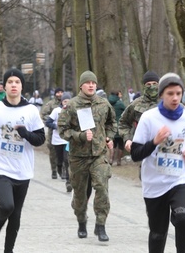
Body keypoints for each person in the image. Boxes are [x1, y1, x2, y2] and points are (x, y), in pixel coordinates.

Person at [130, 73, 185, 253]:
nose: (175, 98)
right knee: (158, 234)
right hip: (154, 182)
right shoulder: (148, 118)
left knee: (183, 217)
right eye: (170, 93)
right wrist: (154, 141)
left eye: (178, 93)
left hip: (180, 178)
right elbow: (136, 154)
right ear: (161, 94)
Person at [0, 68, 45, 252]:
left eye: (17, 82)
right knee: (7, 205)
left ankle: (8, 250)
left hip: (23, 169)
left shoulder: (31, 110)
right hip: (1, 167)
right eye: (10, 82)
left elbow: (40, 139)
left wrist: (26, 133)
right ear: (5, 86)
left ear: (22, 86)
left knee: (16, 214)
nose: (14, 85)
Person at [57, 70, 117, 242]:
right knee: (80, 194)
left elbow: (112, 122)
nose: (91, 85)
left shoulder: (103, 103)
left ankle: (101, 224)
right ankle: (82, 221)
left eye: (94, 83)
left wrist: (109, 137)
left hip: (99, 155)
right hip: (78, 157)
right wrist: (80, 136)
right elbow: (62, 129)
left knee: (101, 188)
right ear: (81, 86)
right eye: (88, 83)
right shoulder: (72, 105)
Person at [119, 71, 161, 180]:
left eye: (154, 83)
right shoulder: (136, 105)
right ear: (144, 86)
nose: (152, 86)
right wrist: (127, 139)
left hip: (167, 149)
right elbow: (123, 123)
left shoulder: (169, 101)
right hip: (145, 150)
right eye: (148, 84)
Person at [45, 91, 73, 192]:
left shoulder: (73, 110)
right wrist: (55, 126)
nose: (66, 103)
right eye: (65, 101)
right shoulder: (56, 111)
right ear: (62, 101)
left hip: (67, 139)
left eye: (68, 101)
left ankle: (66, 176)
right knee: (59, 158)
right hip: (57, 139)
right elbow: (48, 122)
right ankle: (59, 168)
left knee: (67, 158)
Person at [41, 87, 64, 179]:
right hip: (52, 132)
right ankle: (54, 170)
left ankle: (62, 170)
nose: (60, 94)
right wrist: (53, 122)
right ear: (55, 94)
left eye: (61, 92)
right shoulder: (50, 104)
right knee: (53, 152)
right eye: (58, 92)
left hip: (63, 133)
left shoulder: (67, 103)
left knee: (64, 152)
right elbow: (43, 114)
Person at [108, 90, 126, 166]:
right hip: (120, 126)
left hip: (112, 126)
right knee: (121, 144)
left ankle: (111, 159)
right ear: (117, 95)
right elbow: (126, 110)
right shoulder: (120, 103)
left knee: (113, 144)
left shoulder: (108, 103)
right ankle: (119, 161)